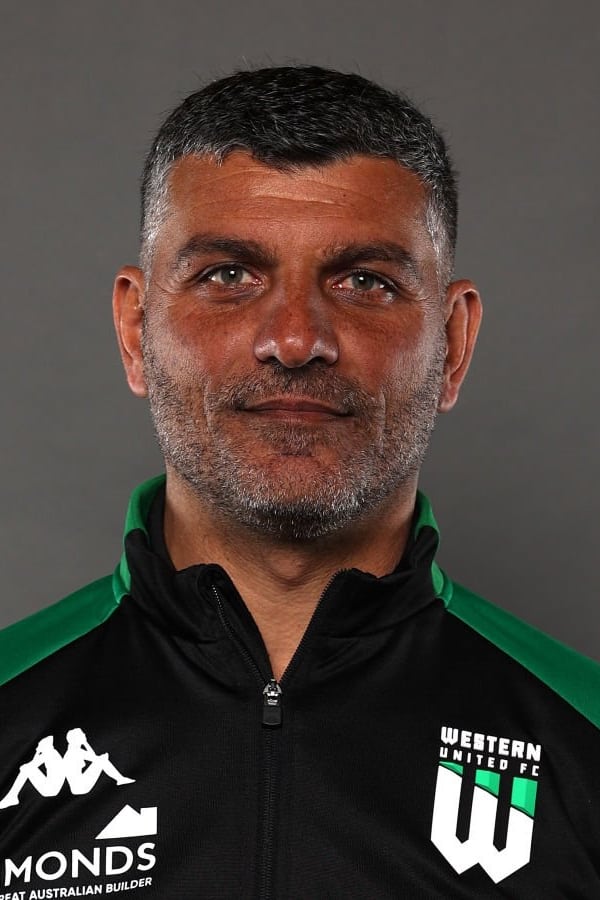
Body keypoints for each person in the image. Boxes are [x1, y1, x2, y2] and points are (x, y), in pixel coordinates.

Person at [0, 65, 598, 899]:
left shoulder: (584, 739)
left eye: (365, 282)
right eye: (227, 275)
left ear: (454, 345)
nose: (293, 340)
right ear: (136, 331)